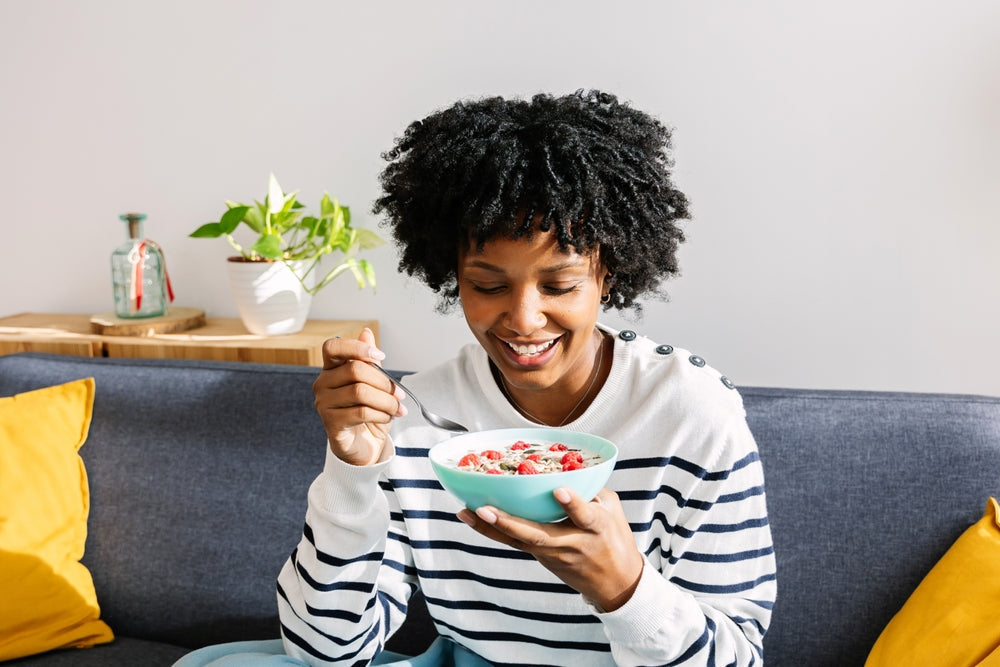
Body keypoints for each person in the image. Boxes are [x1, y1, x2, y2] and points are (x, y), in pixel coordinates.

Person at [178, 90, 776, 667]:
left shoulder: (690, 414)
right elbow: (327, 653)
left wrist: (625, 589)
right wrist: (353, 472)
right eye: (488, 286)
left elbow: (736, 657)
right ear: (452, 276)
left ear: (608, 274)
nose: (522, 319)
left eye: (560, 286)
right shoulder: (418, 415)